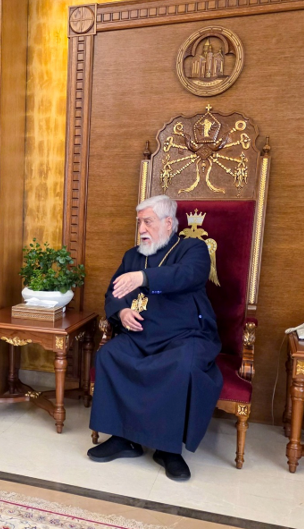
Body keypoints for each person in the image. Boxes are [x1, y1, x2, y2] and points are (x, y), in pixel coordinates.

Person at [87, 195, 222, 481]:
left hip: (184, 335)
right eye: (139, 223)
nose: (141, 229)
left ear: (168, 223)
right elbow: (112, 293)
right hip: (140, 333)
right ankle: (125, 438)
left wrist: (143, 279)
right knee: (110, 355)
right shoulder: (133, 256)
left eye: (148, 222)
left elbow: (188, 275)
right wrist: (121, 312)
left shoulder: (192, 249)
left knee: (182, 365)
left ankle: (168, 449)